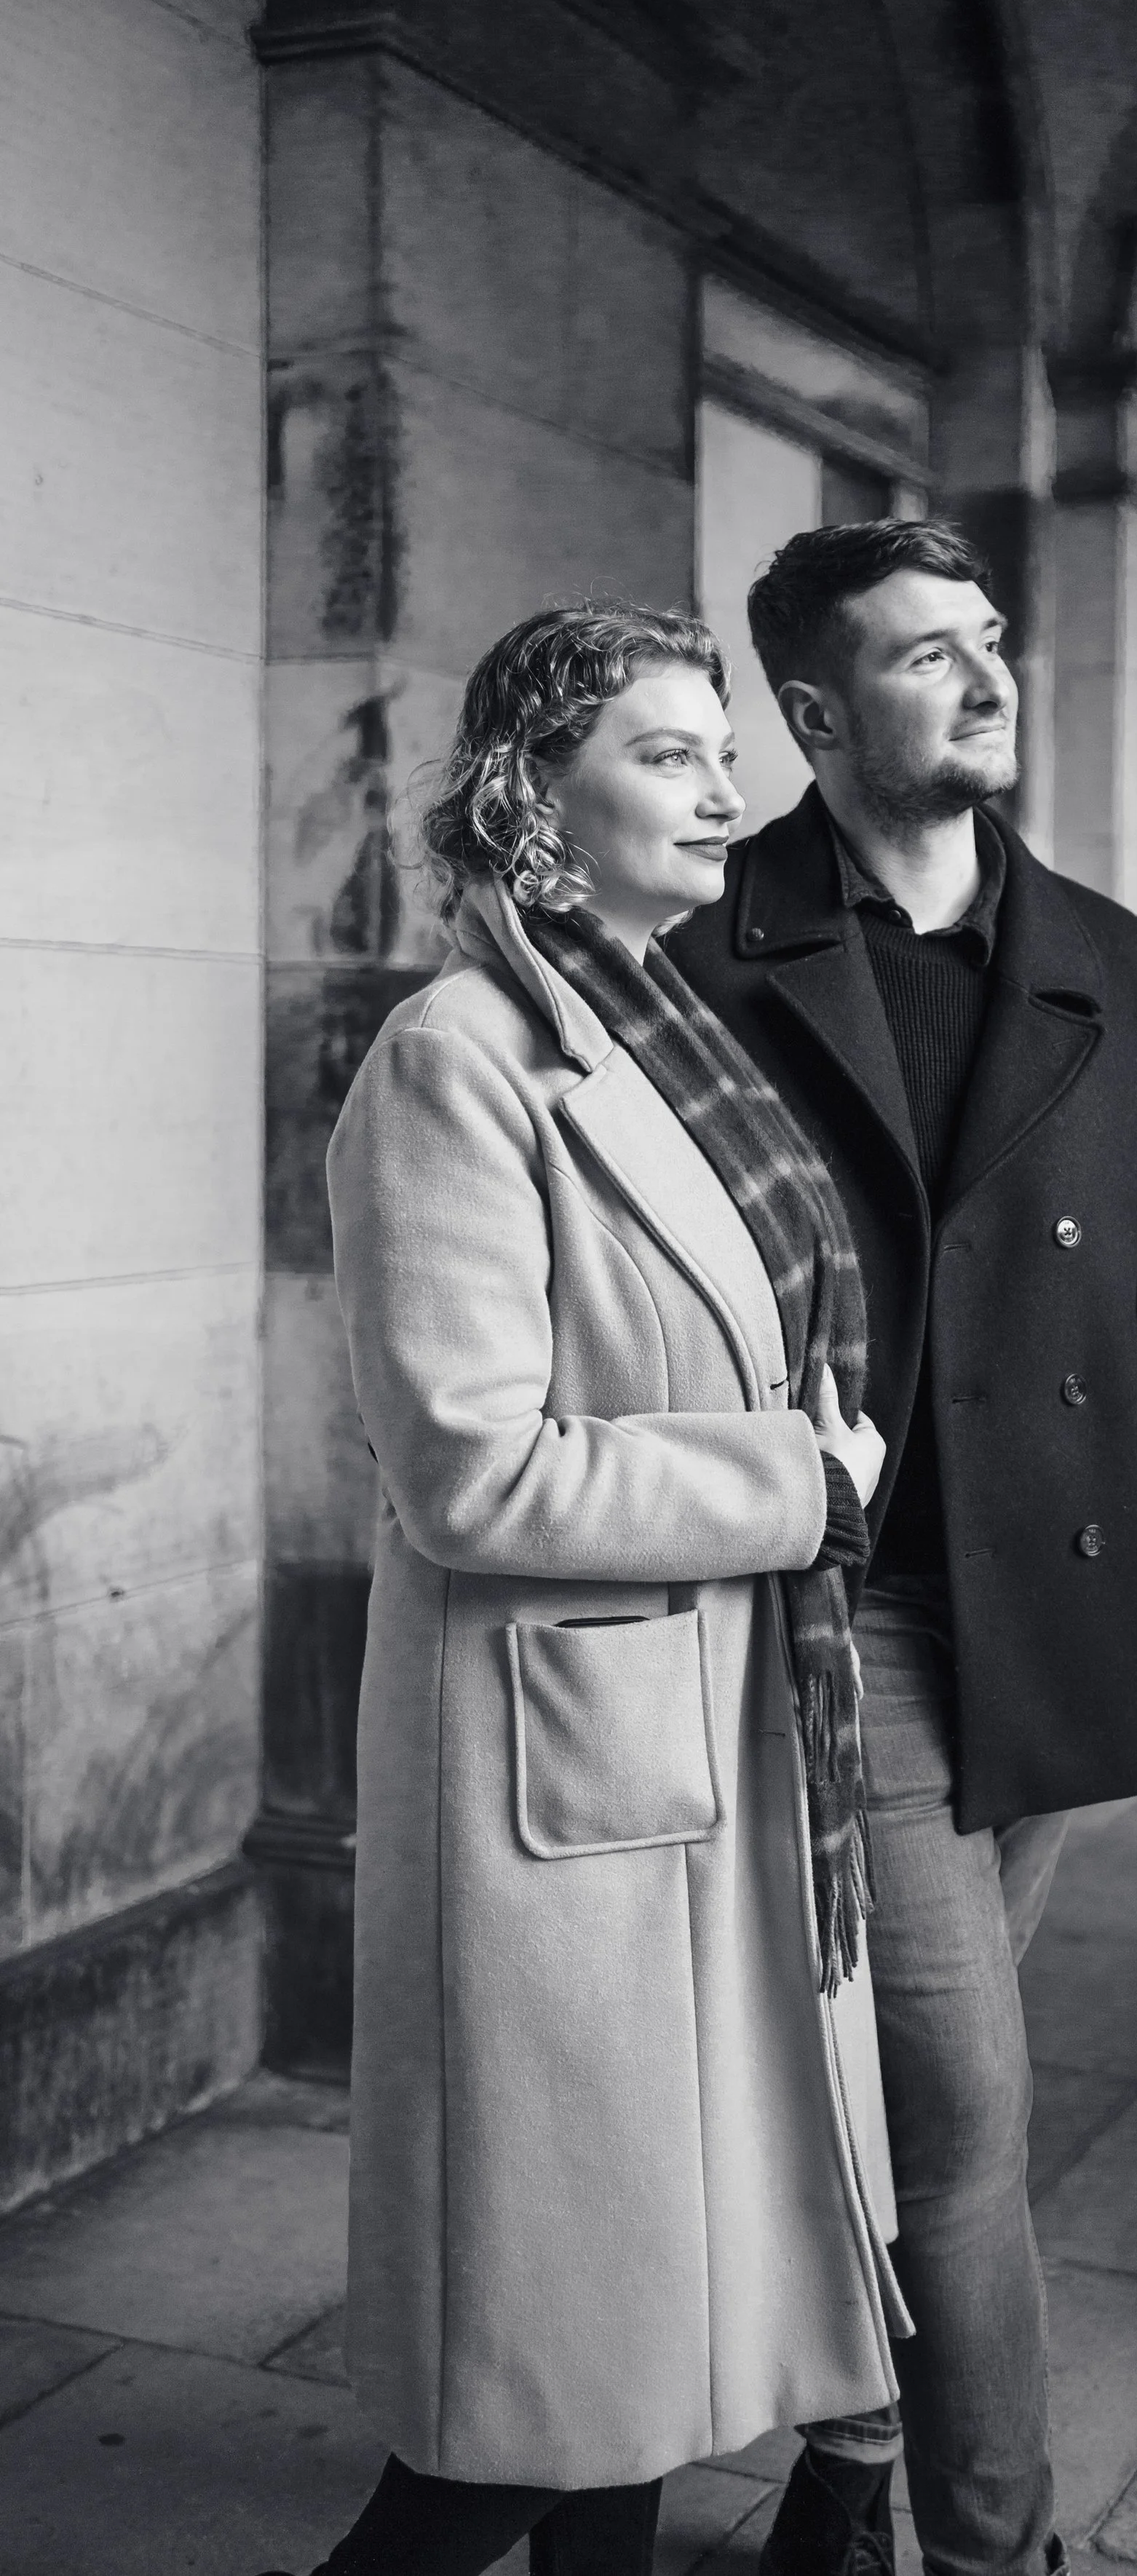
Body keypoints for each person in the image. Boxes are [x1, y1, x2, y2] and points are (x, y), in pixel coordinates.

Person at [263, 603, 903, 2576]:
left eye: (726, 748)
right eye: (665, 751)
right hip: (559, 1782)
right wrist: (797, 1480)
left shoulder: (662, 1018)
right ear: (539, 793)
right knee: (518, 2407)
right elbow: (472, 1467)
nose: (727, 790)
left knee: (618, 2357)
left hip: (712, 1733)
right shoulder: (454, 1062)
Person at [665, 519, 1137, 2576]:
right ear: (813, 716)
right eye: (928, 656)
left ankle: (839, 2460)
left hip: (1065, 1599)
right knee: (959, 2132)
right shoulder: (708, 948)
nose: (988, 679)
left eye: (989, 639)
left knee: (881, 2095)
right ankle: (993, 2549)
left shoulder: (1108, 951)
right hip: (855, 1609)